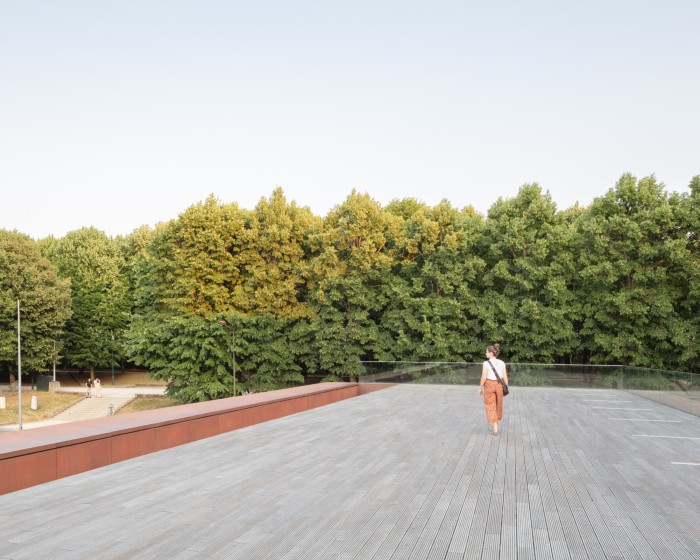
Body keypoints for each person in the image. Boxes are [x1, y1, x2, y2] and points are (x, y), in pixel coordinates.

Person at [479, 343, 509, 435]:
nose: (486, 354)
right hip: (499, 385)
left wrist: (480, 387)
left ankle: (495, 427)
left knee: (490, 404)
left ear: (491, 353)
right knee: (498, 404)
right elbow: (505, 377)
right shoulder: (501, 362)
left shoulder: (486, 363)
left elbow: (484, 377)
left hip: (489, 385)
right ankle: (496, 424)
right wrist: (506, 387)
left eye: (487, 352)